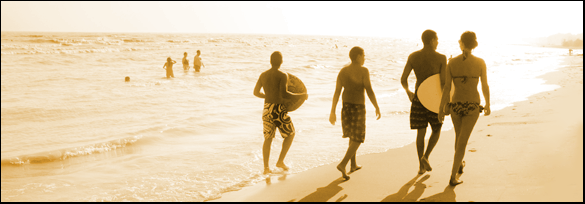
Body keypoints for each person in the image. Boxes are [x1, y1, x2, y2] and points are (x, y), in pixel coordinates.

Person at [438, 31, 491, 186]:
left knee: (459, 137)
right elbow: (484, 85)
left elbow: (447, 88)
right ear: (474, 44)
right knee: (462, 141)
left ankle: (459, 164)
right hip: (472, 105)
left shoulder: (452, 62)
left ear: (462, 43)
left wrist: (442, 108)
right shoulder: (480, 62)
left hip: (456, 105)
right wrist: (488, 103)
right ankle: (453, 176)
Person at [330, 46, 381, 180]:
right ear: (358, 56)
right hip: (358, 107)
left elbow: (337, 92)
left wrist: (332, 111)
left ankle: (353, 165)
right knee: (358, 138)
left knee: (352, 137)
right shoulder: (364, 70)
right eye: (363, 55)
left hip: (345, 107)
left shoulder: (343, 71)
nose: (364, 58)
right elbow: (369, 89)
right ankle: (343, 164)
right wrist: (376, 106)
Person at [400, 29, 447, 174]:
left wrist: (408, 92)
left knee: (421, 132)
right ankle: (426, 156)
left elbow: (403, 79)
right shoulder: (441, 58)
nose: (438, 42)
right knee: (437, 129)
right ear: (432, 40)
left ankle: (421, 166)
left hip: (418, 98)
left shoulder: (413, 56)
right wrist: (444, 103)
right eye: (437, 39)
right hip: (434, 99)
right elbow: (443, 83)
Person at [253, 51, 308, 174]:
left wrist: (267, 97)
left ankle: (266, 168)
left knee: (268, 138)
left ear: (270, 61)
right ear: (281, 62)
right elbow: (285, 94)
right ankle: (280, 161)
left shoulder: (263, 75)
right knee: (290, 134)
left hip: (267, 108)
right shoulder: (283, 75)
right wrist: (302, 95)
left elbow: (256, 92)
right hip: (278, 109)